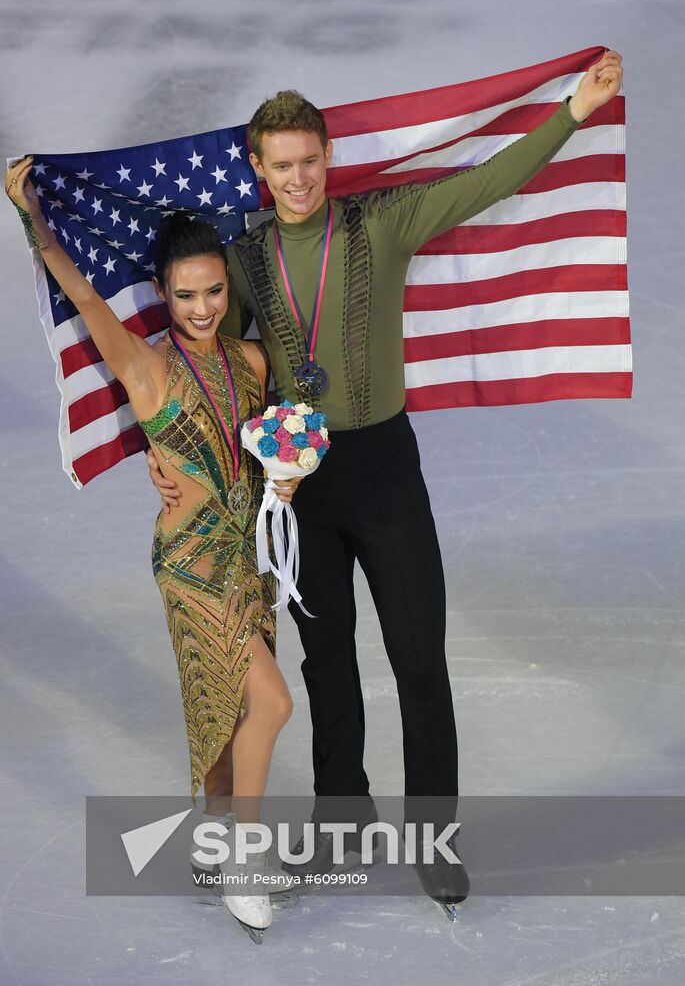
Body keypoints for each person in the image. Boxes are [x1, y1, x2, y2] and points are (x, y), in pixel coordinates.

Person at [146, 51, 624, 914]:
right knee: (326, 661)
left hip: (385, 471)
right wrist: (166, 455)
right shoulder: (244, 260)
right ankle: (343, 819)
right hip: (300, 485)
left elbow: (485, 182)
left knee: (417, 658)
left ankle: (431, 839)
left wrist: (573, 113)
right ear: (258, 168)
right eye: (280, 165)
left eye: (309, 161)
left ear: (327, 159)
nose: (297, 179)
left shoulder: (379, 225)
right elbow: (200, 352)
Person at [5, 161, 301, 942]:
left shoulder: (253, 362)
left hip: (245, 557)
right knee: (270, 702)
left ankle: (215, 834)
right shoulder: (146, 366)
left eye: (212, 291)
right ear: (161, 295)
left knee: (226, 703)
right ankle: (243, 855)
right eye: (184, 294)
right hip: (189, 565)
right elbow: (81, 293)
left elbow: (271, 450)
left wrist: (288, 476)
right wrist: (33, 217)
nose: (202, 308)